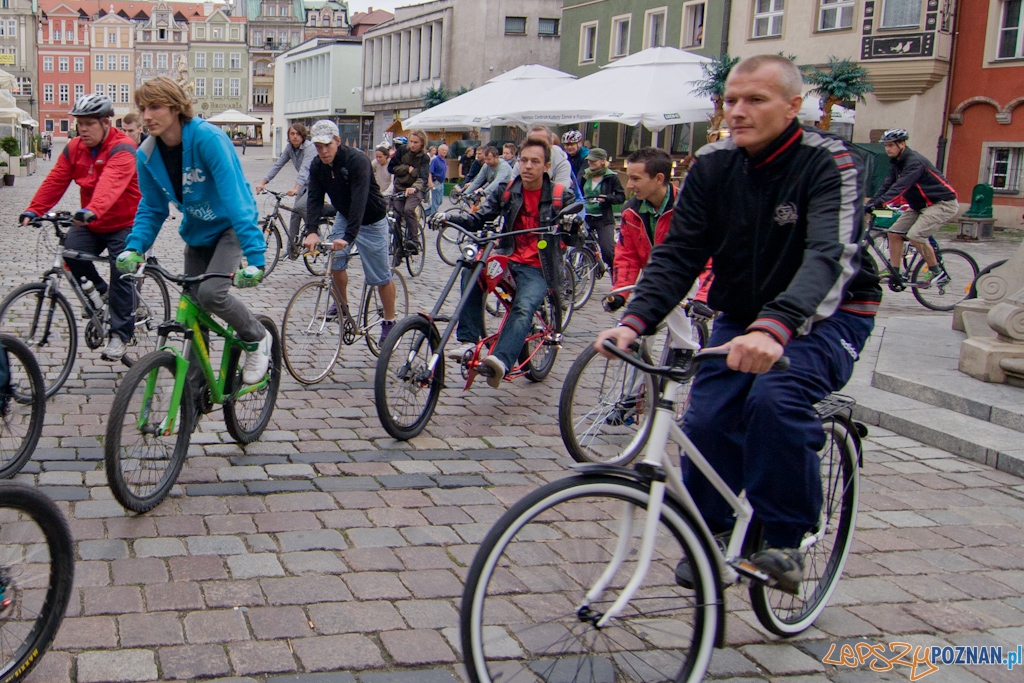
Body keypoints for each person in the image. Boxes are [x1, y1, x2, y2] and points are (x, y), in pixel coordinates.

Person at [595, 54, 882, 594]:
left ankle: (785, 538)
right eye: (731, 99)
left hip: (829, 312)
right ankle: (719, 527)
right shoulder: (713, 165)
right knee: (704, 418)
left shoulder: (829, 163)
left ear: (793, 106)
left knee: (775, 401)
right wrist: (635, 321)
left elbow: (828, 256)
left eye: (756, 100)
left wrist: (777, 327)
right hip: (743, 314)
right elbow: (680, 252)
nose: (738, 111)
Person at [116, 76, 272, 385]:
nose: (146, 116)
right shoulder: (146, 154)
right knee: (193, 312)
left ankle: (257, 337)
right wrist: (135, 247)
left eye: (155, 107)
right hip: (197, 233)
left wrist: (255, 257)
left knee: (211, 294)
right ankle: (196, 392)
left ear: (176, 108)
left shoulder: (207, 139)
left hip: (229, 227)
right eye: (143, 108)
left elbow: (237, 200)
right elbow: (152, 207)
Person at [447, 137, 576, 388]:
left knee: (523, 308)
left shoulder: (560, 195)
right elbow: (479, 217)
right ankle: (468, 342)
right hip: (508, 256)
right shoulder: (507, 190)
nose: (528, 166)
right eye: (524, 160)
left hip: (541, 265)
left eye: (535, 162)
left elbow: (575, 230)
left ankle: (500, 361)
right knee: (473, 268)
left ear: (546, 166)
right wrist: (449, 218)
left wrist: (572, 224)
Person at [20, 94, 141, 361]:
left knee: (121, 268)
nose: (82, 129)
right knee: (70, 252)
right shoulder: (74, 147)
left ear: (106, 122)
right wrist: (35, 209)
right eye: (80, 124)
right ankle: (100, 291)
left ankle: (120, 334)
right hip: (92, 221)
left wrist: (92, 210)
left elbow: (111, 183)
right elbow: (56, 179)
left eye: (89, 124)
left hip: (124, 221)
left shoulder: (123, 147)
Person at [302, 120, 398, 345]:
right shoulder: (317, 166)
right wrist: (312, 231)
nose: (323, 151)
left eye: (327, 145)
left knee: (380, 276)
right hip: (345, 215)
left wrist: (348, 237)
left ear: (337, 141)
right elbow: (314, 199)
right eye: (318, 146)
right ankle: (342, 306)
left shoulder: (357, 161)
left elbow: (360, 201)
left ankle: (389, 321)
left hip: (372, 218)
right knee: (335, 262)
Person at [866, 128, 959, 283]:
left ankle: (937, 272)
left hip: (942, 203)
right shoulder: (897, 163)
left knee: (916, 235)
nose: (887, 149)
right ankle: (895, 272)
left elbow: (900, 187)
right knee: (894, 232)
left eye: (890, 145)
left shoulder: (915, 162)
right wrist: (871, 203)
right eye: (886, 146)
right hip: (919, 205)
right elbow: (887, 185)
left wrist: (879, 204)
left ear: (902, 144)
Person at [255, 123, 316, 259]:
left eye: (298, 134)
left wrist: (295, 188)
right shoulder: (290, 148)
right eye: (292, 134)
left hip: (317, 184)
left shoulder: (309, 148)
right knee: (295, 214)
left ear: (303, 136)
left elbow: (304, 170)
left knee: (300, 207)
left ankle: (316, 234)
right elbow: (278, 165)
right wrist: (263, 182)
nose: (295, 137)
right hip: (304, 184)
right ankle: (291, 250)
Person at [580, 147, 624, 272]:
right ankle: (595, 267)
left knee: (608, 250)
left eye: (594, 161)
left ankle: (615, 273)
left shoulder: (611, 177)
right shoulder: (585, 175)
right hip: (587, 216)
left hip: (604, 219)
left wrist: (608, 198)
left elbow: (621, 197)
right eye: (589, 160)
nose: (590, 163)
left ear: (602, 161)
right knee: (584, 246)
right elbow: (578, 192)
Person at [387, 129, 430, 254]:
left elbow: (422, 177)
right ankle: (398, 245)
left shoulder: (424, 158)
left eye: (416, 142)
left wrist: (415, 187)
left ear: (422, 143)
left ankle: (414, 241)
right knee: (396, 215)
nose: (412, 145)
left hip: (414, 189)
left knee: (408, 210)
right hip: (399, 187)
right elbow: (391, 168)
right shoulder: (402, 151)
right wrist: (406, 169)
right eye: (411, 141)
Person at [427, 143, 448, 217]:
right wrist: (430, 182)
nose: (444, 151)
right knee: (435, 202)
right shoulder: (435, 160)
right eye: (443, 150)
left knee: (439, 201)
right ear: (439, 150)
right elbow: (430, 172)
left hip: (441, 183)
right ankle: (432, 218)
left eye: (446, 150)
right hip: (435, 182)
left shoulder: (444, 161)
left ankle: (423, 213)